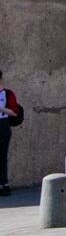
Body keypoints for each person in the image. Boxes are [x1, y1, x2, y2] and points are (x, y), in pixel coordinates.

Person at [0, 69, 20, 197]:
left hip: (3, 124)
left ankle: (4, 183)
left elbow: (14, 112)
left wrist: (1, 109)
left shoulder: (7, 94)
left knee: (2, 155)